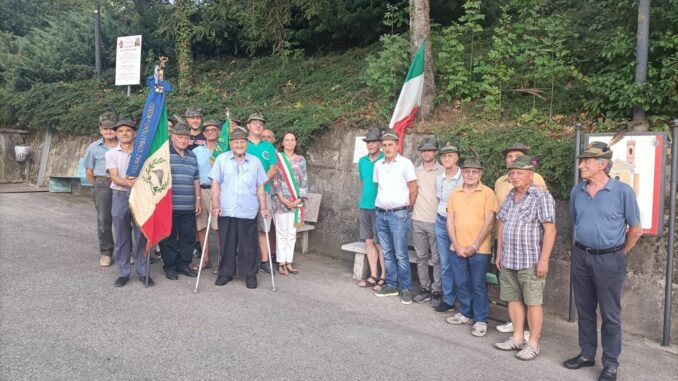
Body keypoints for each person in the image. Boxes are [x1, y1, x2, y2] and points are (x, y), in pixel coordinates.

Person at [563, 142, 642, 381]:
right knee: (585, 310)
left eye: (587, 161)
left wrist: (619, 253)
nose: (581, 165)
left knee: (610, 315)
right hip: (580, 257)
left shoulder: (623, 192)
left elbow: (635, 230)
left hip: (610, 259)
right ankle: (587, 354)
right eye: (581, 160)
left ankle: (610, 364)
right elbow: (576, 221)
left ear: (603, 164)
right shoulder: (577, 191)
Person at [494, 155, 556, 360]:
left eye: (519, 172)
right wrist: (499, 252)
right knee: (512, 299)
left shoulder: (541, 196)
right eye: (512, 173)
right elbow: (501, 223)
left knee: (533, 302)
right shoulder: (511, 195)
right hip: (509, 258)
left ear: (531, 175)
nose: (514, 176)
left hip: (530, 260)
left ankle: (533, 343)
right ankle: (518, 337)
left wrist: (544, 260)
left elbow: (550, 230)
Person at [210, 126, 270, 289]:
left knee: (248, 245)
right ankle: (225, 273)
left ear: (247, 143)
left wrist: (263, 207)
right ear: (231, 143)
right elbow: (215, 184)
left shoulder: (255, 162)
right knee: (227, 243)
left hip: (247, 209)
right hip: (226, 208)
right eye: (236, 142)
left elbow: (260, 187)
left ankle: (250, 274)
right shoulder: (221, 159)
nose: (239, 145)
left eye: (242, 142)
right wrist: (215, 204)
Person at [445, 157, 498, 337]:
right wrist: (457, 244)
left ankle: (481, 319)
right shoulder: (455, 193)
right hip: (457, 247)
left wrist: (474, 245)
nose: (470, 174)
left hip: (480, 250)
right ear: (463, 172)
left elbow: (489, 223)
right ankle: (466, 313)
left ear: (480, 174)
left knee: (478, 284)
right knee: (461, 282)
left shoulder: (488, 193)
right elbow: (450, 220)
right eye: (467, 171)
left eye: (474, 171)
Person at [105, 119, 152, 287]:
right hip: (120, 195)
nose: (124, 133)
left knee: (141, 235)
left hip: (140, 196)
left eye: (128, 130)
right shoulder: (111, 153)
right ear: (117, 134)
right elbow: (115, 176)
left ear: (135, 133)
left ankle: (142, 271)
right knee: (122, 235)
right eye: (121, 131)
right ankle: (123, 272)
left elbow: (148, 174)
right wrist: (128, 183)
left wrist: (137, 183)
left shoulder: (143, 153)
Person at [373, 131, 417, 304]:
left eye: (390, 145)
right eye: (384, 145)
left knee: (400, 253)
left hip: (399, 214)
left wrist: (406, 209)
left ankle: (405, 287)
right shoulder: (378, 165)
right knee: (387, 252)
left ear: (397, 146)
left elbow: (413, 188)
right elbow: (379, 187)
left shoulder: (405, 163)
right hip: (381, 213)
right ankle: (391, 284)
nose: (387, 148)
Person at [158, 122, 201, 280]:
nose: (183, 140)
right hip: (168, 205)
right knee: (168, 237)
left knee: (188, 237)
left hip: (188, 205)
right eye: (180, 137)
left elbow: (196, 179)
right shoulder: (163, 155)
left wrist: (197, 199)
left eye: (186, 137)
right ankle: (170, 267)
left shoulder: (192, 155)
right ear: (172, 136)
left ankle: (184, 265)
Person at [245, 112, 278, 275]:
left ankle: (264, 261)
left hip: (263, 193)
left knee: (263, 228)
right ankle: (246, 259)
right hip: (244, 194)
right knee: (245, 228)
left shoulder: (268, 146)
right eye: (255, 122)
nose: (258, 125)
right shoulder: (242, 144)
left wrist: (259, 183)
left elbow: (273, 168)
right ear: (248, 125)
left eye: (261, 123)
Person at [84, 112, 119, 267]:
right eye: (105, 129)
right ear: (100, 130)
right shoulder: (94, 148)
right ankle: (106, 253)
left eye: (112, 128)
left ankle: (126, 251)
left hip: (121, 184)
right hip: (102, 183)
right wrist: (98, 185)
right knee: (104, 220)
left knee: (124, 219)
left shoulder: (124, 144)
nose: (109, 131)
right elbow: (89, 171)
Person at [411, 138, 443, 305]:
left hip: (436, 220)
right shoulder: (415, 171)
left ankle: (437, 290)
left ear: (436, 152)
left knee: (437, 258)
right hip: (417, 218)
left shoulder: (443, 171)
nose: (427, 153)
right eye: (424, 151)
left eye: (430, 150)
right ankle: (424, 287)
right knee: (421, 257)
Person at [271, 131, 308, 274]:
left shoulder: (301, 160)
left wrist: (300, 198)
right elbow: (275, 179)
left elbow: (304, 179)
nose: (290, 142)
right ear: (282, 142)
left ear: (296, 142)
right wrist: (281, 198)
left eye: (293, 140)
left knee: (292, 233)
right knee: (281, 233)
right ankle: (281, 262)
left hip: (297, 202)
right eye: (287, 140)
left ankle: (289, 261)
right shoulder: (277, 158)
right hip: (281, 201)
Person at [434, 142, 463, 312]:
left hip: (460, 225)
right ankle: (449, 299)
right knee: (444, 263)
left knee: (459, 262)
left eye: (450, 155)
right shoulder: (440, 178)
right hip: (441, 222)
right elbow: (440, 200)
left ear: (457, 157)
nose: (446, 158)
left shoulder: (465, 177)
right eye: (444, 155)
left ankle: (464, 301)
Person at [356, 128, 386, 289]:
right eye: (368, 142)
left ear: (380, 143)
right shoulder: (362, 161)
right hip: (364, 206)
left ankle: (383, 276)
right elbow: (363, 182)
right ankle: (373, 274)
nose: (370, 144)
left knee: (381, 243)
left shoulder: (384, 159)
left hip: (380, 207)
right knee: (368, 241)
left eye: (373, 141)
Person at [191, 120, 221, 271]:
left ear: (218, 132)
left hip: (218, 192)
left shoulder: (224, 150)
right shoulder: (196, 151)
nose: (210, 132)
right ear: (203, 133)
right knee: (201, 227)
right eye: (207, 130)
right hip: (201, 190)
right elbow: (194, 174)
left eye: (214, 129)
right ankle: (205, 259)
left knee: (219, 227)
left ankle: (222, 261)